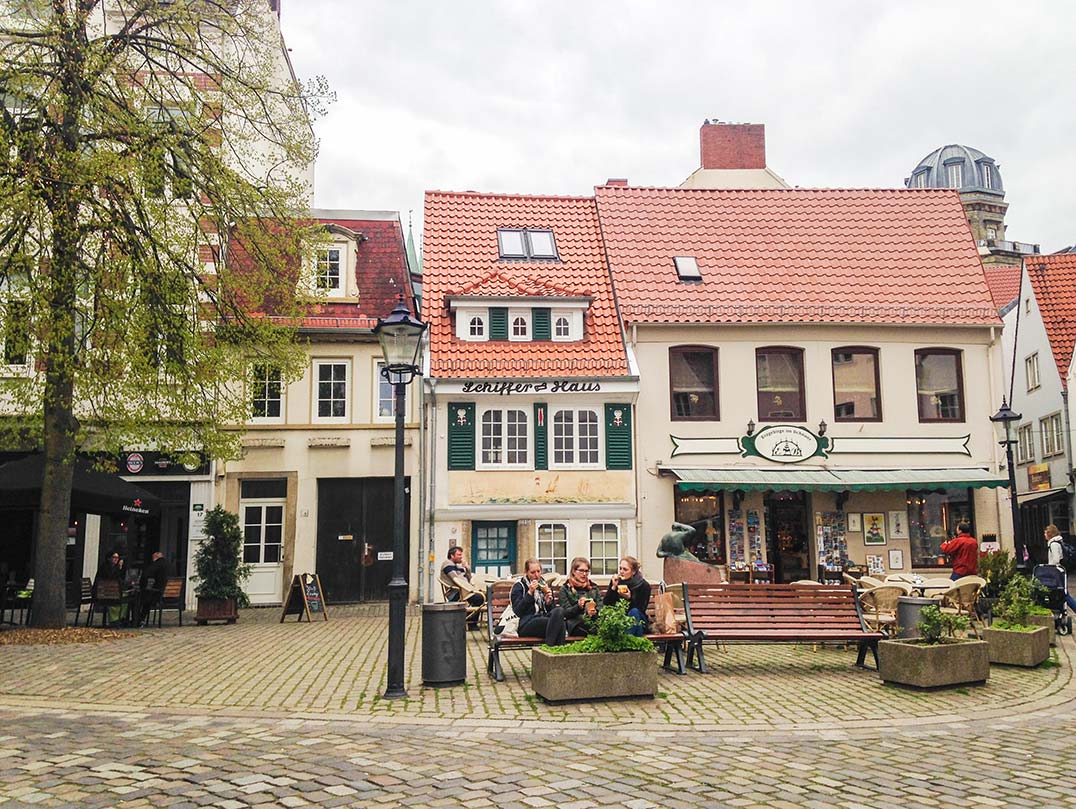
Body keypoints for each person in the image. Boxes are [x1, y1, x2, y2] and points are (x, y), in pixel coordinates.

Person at [510, 558, 566, 645]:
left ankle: (549, 647)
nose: (536, 575)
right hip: (526, 623)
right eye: (533, 572)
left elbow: (553, 611)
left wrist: (548, 603)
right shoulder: (519, 586)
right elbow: (518, 611)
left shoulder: (545, 585)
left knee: (559, 611)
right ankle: (556, 651)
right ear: (526, 572)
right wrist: (529, 593)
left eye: (538, 571)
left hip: (544, 620)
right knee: (559, 624)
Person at [604, 555, 651, 636]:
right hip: (619, 618)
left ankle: (626, 640)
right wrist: (613, 587)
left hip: (638, 618)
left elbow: (641, 608)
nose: (621, 572)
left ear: (633, 572)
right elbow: (606, 604)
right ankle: (633, 643)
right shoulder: (616, 581)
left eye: (625, 569)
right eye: (620, 568)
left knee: (634, 612)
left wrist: (629, 598)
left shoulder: (643, 585)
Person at [440, 546, 484, 629]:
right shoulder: (447, 564)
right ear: (452, 556)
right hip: (455, 592)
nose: (461, 557)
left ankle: (470, 621)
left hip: (463, 590)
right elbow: (456, 580)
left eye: (461, 555)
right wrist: (471, 588)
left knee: (482, 596)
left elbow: (470, 579)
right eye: (459, 555)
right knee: (480, 598)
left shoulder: (458, 566)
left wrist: (467, 569)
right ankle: (471, 622)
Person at [558, 557, 601, 636]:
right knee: (584, 624)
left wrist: (595, 611)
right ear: (574, 571)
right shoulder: (565, 589)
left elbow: (601, 605)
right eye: (581, 571)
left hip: (594, 620)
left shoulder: (593, 588)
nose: (584, 574)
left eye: (586, 571)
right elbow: (565, 612)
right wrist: (578, 606)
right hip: (574, 623)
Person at [137, 550, 174, 626]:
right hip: (173, 594)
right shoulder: (170, 565)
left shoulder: (158, 564)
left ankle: (139, 619)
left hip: (159, 594)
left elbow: (146, 575)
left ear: (155, 558)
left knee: (143, 598)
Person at [1044, 525, 1076, 613]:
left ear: (1050, 533)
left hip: (1057, 573)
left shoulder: (1053, 544)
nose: (1044, 534)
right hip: (1060, 572)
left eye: (1045, 532)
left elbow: (1056, 559)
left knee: (1064, 594)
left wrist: (1050, 568)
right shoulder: (1058, 542)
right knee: (1063, 593)